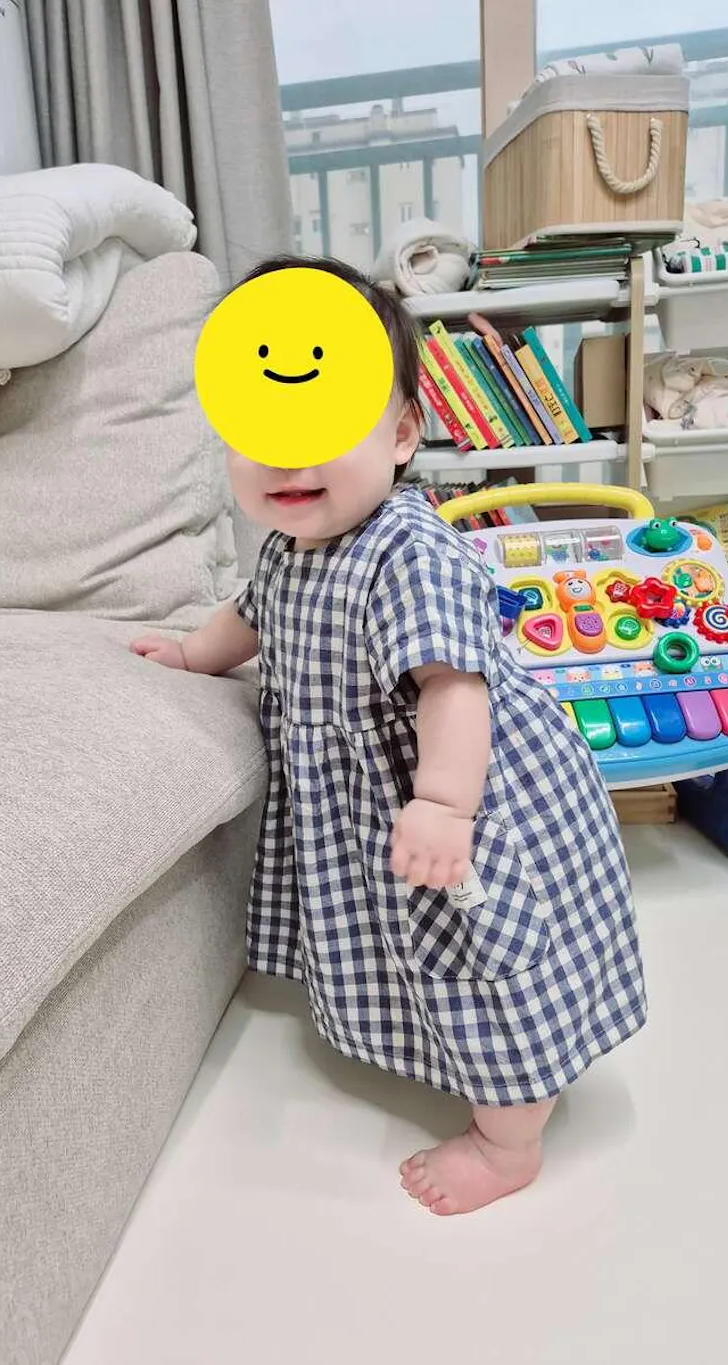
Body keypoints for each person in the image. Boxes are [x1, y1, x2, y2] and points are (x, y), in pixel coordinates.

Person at [131, 256, 646, 1215]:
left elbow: (454, 684)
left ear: (403, 433)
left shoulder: (410, 551)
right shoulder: (289, 549)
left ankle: (509, 1141)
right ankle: (413, 1034)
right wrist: (196, 654)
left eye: (323, 429)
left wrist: (445, 804)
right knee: (403, 940)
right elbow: (252, 614)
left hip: (458, 790)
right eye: (261, 433)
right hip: (370, 801)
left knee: (482, 953)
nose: (288, 462)